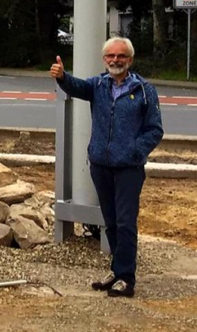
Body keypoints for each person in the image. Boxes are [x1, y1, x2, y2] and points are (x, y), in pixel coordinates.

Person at [50, 37, 163, 298]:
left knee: (125, 223)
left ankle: (126, 277)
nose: (115, 60)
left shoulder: (144, 90)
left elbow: (155, 129)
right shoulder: (98, 85)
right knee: (110, 222)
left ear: (130, 60)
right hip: (101, 165)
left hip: (128, 169)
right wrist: (62, 76)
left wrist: (135, 151)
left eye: (121, 56)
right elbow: (76, 87)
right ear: (104, 60)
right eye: (110, 56)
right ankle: (117, 270)